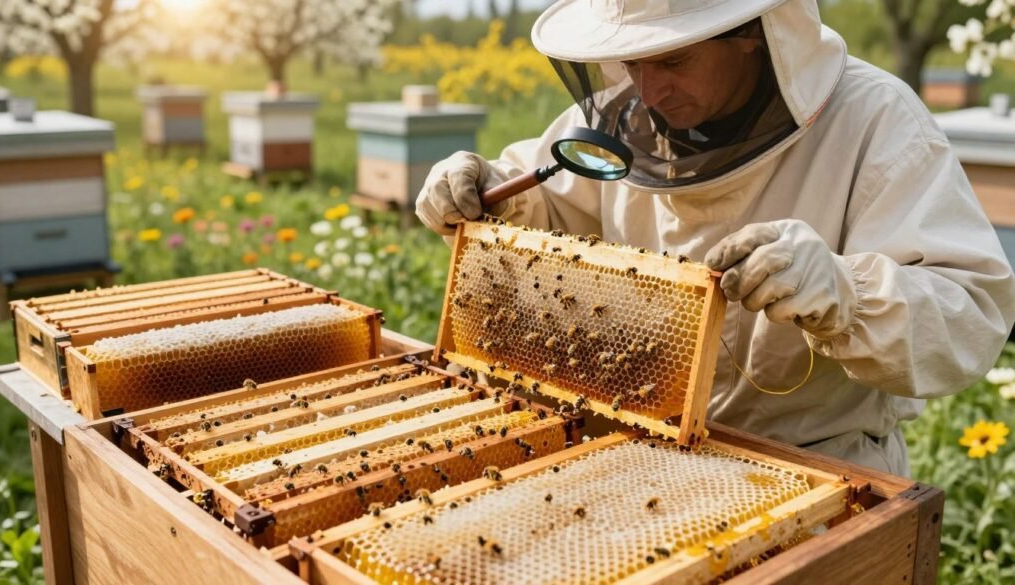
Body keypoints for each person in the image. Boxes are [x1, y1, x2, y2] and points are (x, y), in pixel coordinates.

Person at [415, 0, 1015, 476]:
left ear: (753, 34)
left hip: (815, 462)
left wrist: (846, 292)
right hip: (633, 450)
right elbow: (554, 201)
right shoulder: (618, 111)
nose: (647, 91)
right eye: (629, 61)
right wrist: (496, 193)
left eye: (673, 61)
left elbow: (971, 313)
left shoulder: (877, 122)